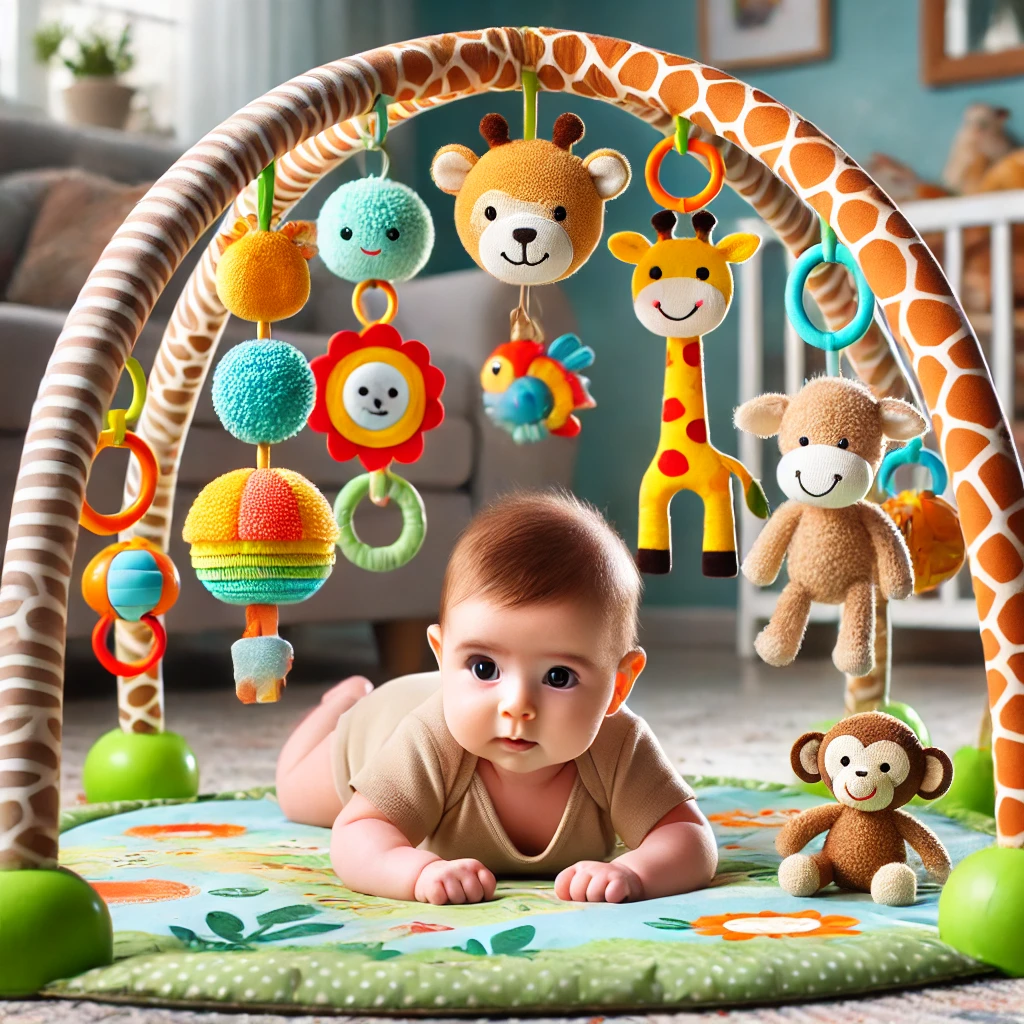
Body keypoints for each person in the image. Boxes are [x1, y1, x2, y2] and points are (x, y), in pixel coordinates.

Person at [276, 490, 717, 904]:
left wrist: (637, 873)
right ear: (443, 655)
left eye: (558, 676)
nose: (517, 705)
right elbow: (357, 834)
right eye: (484, 668)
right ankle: (340, 703)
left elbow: (690, 838)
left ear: (618, 686)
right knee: (294, 794)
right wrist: (415, 872)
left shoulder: (618, 745)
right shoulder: (430, 741)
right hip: (381, 722)